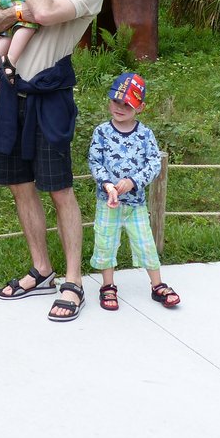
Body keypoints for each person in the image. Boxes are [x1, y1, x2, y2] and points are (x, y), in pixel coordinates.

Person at [0, 0, 106, 322]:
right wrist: (19, 8)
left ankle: (73, 280)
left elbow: (49, 14)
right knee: (19, 184)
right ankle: (41, 267)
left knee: (59, 188)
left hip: (50, 95)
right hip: (12, 92)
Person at [88, 72, 181, 311]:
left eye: (127, 104)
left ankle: (157, 285)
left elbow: (153, 163)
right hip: (108, 203)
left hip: (136, 204)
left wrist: (133, 181)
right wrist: (107, 184)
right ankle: (108, 285)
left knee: (145, 243)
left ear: (140, 107)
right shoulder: (101, 132)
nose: (120, 108)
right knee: (106, 242)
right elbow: (95, 161)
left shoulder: (145, 134)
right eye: (116, 102)